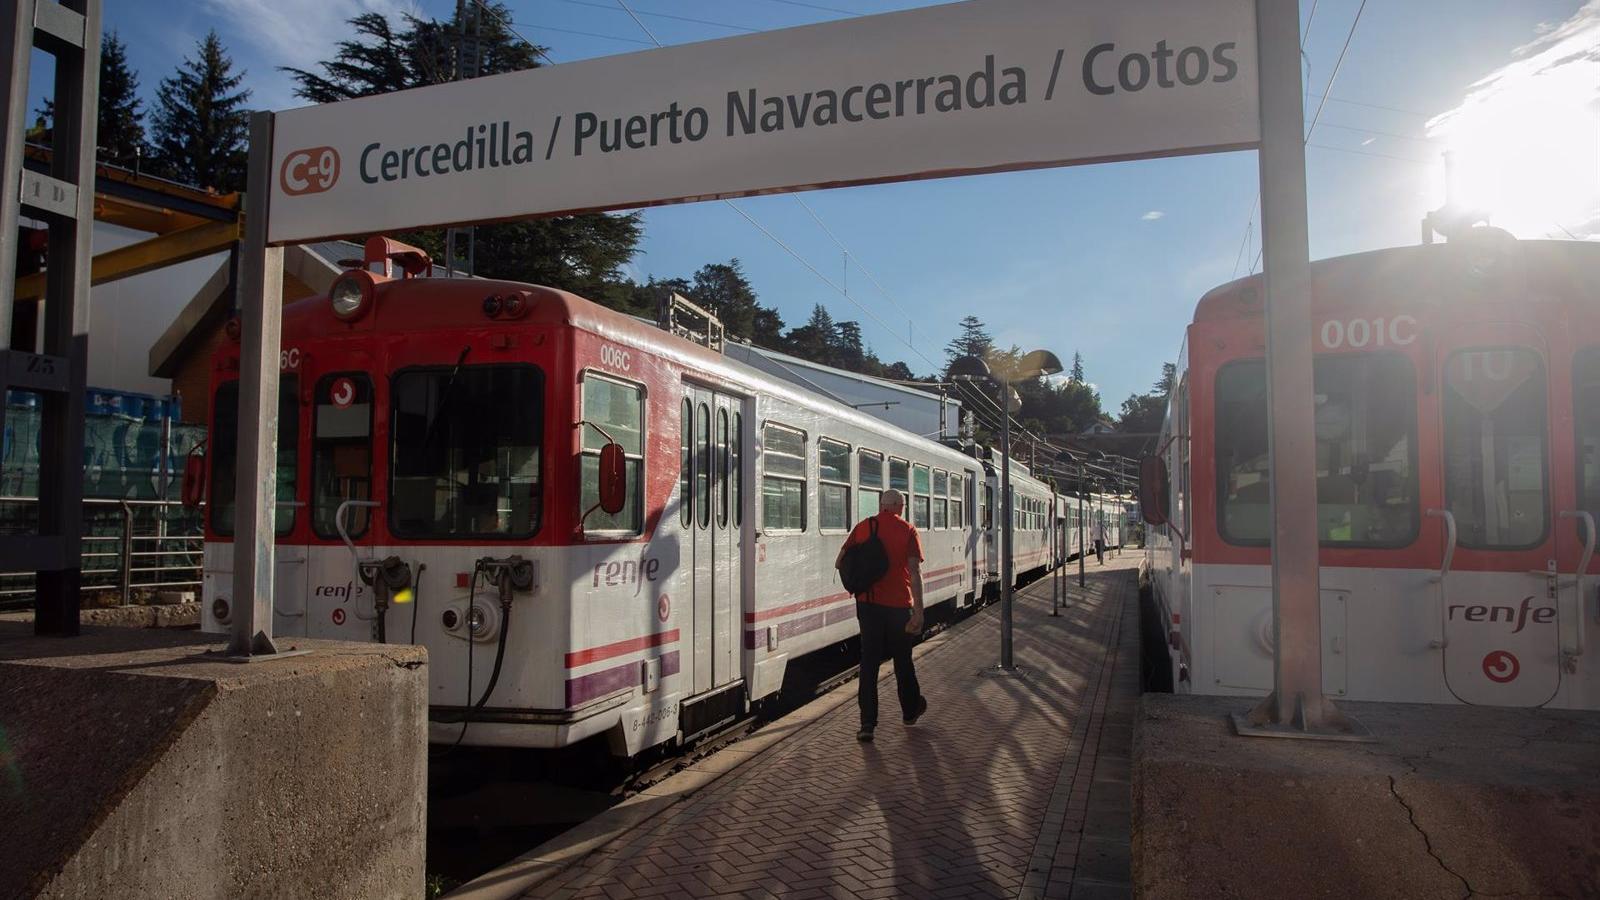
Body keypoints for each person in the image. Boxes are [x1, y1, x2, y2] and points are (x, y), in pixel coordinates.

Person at [835, 488, 928, 743]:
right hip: (899, 606)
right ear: (899, 506)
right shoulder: (907, 530)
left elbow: (840, 560)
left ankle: (867, 724)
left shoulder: (864, 527)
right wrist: (918, 611)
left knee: (869, 663)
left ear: (881, 505)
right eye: (903, 505)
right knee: (902, 661)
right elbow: (915, 571)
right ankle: (910, 712)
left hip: (868, 605)